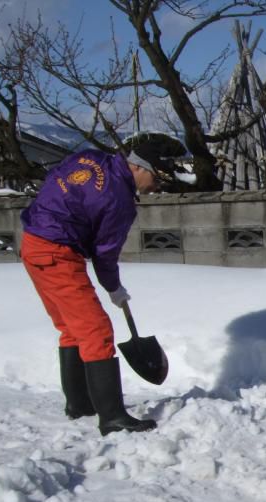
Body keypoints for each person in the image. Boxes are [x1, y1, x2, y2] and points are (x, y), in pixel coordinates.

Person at [20, 138, 177, 436]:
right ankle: (112, 417)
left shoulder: (91, 158)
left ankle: (79, 404)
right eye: (155, 178)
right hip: (57, 252)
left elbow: (57, 181)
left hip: (33, 243)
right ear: (137, 167)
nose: (155, 187)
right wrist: (114, 288)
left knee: (72, 328)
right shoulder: (119, 199)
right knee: (96, 330)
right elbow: (104, 254)